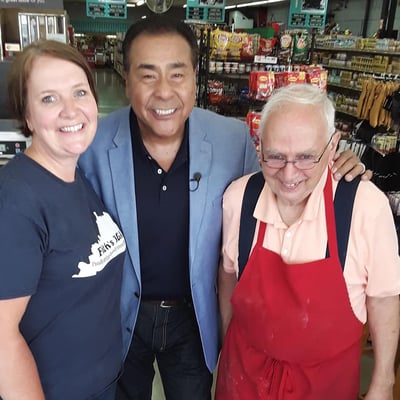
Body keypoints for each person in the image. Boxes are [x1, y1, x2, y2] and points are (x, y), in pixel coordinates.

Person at [78, 16, 371, 400]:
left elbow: (282, 189)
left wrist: (331, 171)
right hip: (118, 317)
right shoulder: (93, 144)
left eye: (177, 74)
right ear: (126, 78)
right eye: (147, 75)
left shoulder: (232, 139)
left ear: (195, 78)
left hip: (194, 316)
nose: (163, 92)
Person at [216, 83, 400, 400]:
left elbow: (383, 298)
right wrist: (225, 346)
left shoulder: (365, 207)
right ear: (258, 147)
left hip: (326, 382)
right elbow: (228, 274)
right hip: (244, 375)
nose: (289, 175)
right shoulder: (239, 198)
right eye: (275, 156)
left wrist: (383, 381)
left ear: (332, 148)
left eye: (305, 157)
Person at [0, 40, 126, 400]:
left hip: (100, 383)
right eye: (49, 99)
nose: (71, 111)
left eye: (79, 92)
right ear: (26, 115)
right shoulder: (17, 201)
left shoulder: (75, 175)